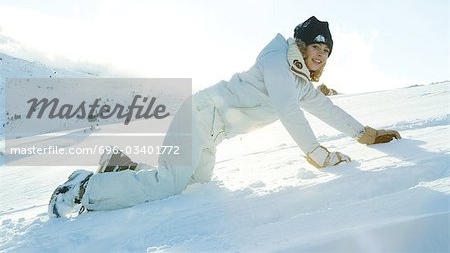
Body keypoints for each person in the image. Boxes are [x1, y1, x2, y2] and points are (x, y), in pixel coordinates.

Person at [48, 16, 401, 217]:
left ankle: (122, 165)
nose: (321, 56)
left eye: (326, 51)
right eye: (316, 47)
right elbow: (287, 110)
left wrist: (364, 133)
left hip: (210, 132)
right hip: (201, 115)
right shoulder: (276, 60)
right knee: (171, 184)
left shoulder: (299, 81)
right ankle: (85, 188)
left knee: (195, 185)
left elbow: (326, 108)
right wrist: (317, 153)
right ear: (302, 45)